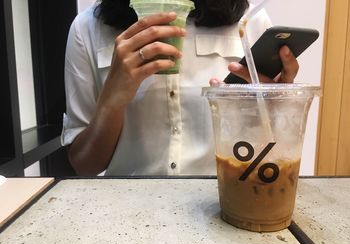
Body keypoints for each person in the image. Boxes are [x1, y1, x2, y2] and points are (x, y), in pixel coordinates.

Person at [61, 0, 299, 176]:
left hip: (222, 207)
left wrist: (279, 107)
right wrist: (111, 101)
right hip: (127, 215)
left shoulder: (250, 21)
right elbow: (85, 165)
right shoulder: (88, 29)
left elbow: (271, 147)